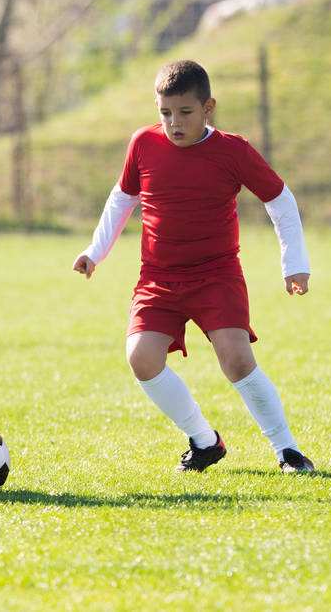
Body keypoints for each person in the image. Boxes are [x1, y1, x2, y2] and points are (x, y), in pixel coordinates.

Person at [73, 59, 315, 473]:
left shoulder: (233, 151)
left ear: (208, 108)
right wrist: (95, 251)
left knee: (236, 359)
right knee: (141, 358)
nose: (174, 122)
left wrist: (294, 263)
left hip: (216, 276)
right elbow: (122, 198)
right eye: (165, 112)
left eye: (185, 112)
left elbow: (280, 199)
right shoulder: (143, 144)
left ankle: (287, 450)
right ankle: (204, 441)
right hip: (158, 279)